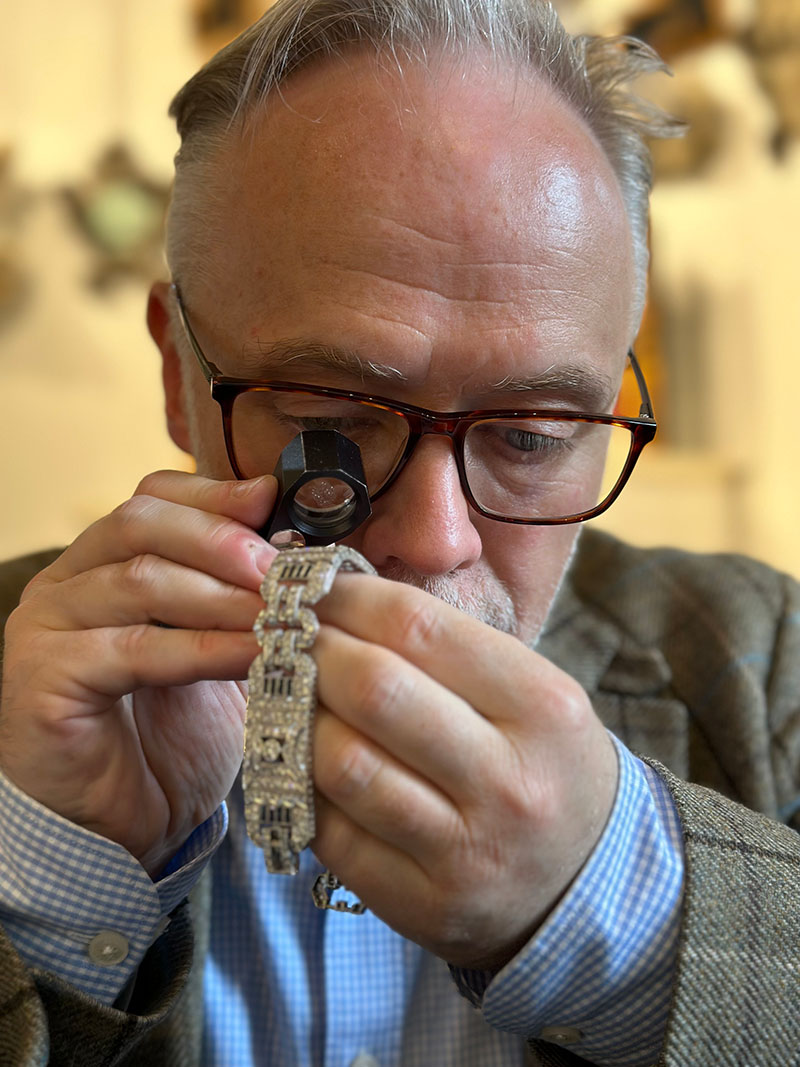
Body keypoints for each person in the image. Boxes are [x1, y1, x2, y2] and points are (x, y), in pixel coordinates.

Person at [1, 1, 799, 1064]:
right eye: (331, 423)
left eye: (527, 434)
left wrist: (622, 910)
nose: (434, 541)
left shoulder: (767, 664)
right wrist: (50, 884)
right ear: (177, 377)